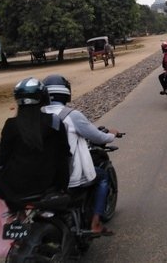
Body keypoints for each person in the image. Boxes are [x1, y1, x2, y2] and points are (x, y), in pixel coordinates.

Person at [42, 74, 119, 236]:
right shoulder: (71, 115)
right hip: (68, 175)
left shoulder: (36, 115)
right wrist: (112, 135)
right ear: (66, 93)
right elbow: (97, 137)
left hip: (42, 175)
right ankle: (96, 222)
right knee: (103, 177)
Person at [0, 77, 71, 211]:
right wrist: (63, 186)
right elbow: (64, 154)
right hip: (47, 185)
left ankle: (18, 216)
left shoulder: (10, 125)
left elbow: (2, 158)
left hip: (13, 190)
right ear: (44, 98)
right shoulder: (54, 122)